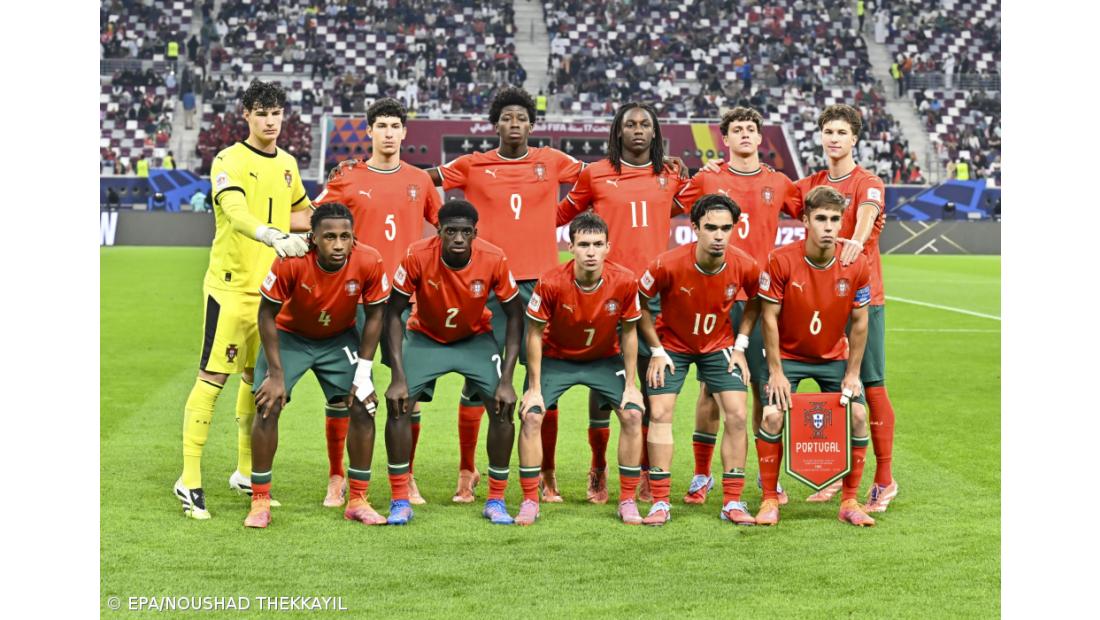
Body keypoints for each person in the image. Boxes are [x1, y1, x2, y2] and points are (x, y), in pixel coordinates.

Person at [427, 87, 583, 504]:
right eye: (507, 118)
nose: (514, 124)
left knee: (542, 382)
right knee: (478, 379)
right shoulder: (471, 164)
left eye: (522, 118)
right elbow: (421, 181)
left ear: (532, 124)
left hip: (541, 285)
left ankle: (547, 471)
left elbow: (599, 175)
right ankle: (467, 470)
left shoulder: (552, 160)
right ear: (495, 124)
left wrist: (660, 163)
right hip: (488, 287)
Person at [174, 80, 312, 520]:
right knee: (213, 375)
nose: (270, 121)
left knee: (256, 378)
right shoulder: (228, 160)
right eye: (262, 113)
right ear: (247, 115)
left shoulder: (287, 164)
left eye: (276, 114)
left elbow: (302, 213)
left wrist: (337, 210)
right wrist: (271, 234)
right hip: (231, 288)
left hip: (270, 291)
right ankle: (189, 478)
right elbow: (235, 212)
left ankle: (246, 472)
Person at [555, 101, 686, 504]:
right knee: (603, 383)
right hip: (606, 292)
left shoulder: (671, 175)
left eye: (645, 124)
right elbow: (558, 215)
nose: (638, 130)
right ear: (618, 131)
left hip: (654, 295)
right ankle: (598, 467)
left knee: (649, 385)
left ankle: (645, 469)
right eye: (630, 124)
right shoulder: (595, 174)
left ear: (655, 131)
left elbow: (695, 206)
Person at [312, 97, 442, 507]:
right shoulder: (348, 177)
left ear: (405, 132)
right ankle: (337, 477)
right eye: (381, 125)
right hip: (355, 299)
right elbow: (315, 219)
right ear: (369, 131)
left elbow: (445, 229)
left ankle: (407, 476)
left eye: (395, 126)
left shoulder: (420, 180)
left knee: (410, 393)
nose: (388, 133)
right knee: (344, 392)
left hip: (406, 301)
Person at [673, 106, 802, 505]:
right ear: (725, 139)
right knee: (711, 390)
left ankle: (768, 478)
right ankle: (701, 475)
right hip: (715, 298)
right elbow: (669, 202)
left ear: (760, 138)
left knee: (765, 390)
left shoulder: (778, 182)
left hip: (761, 300)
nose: (745, 134)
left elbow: (813, 214)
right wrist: (675, 171)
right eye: (737, 129)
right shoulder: (708, 178)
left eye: (751, 129)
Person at [245, 204, 390, 528]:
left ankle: (358, 500)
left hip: (339, 337)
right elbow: (266, 314)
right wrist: (276, 374)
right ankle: (260, 500)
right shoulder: (291, 260)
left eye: (345, 237)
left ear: (354, 238)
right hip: (289, 336)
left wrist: (363, 374)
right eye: (329, 237)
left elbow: (375, 316)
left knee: (364, 405)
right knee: (268, 404)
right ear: (313, 238)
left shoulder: (369, 260)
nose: (338, 245)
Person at [383, 200, 523, 525]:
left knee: (503, 407)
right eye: (451, 231)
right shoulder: (416, 254)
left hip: (474, 339)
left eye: (465, 232)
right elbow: (393, 312)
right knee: (399, 404)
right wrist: (397, 376)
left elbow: (516, 316)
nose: (458, 238)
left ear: (475, 233)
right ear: (439, 231)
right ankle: (400, 499)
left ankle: (496, 500)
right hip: (425, 338)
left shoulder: (494, 257)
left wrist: (507, 380)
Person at [636, 194, 762, 526]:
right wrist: (656, 350)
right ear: (695, 228)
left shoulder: (745, 265)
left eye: (725, 228)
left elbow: (756, 301)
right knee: (659, 412)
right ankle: (660, 503)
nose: (719, 236)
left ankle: (732, 501)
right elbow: (639, 303)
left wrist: (741, 345)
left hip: (719, 345)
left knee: (737, 414)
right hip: (672, 346)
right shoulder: (666, 264)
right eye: (711, 228)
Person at [794, 104, 897, 512]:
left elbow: (868, 214)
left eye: (841, 132)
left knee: (871, 384)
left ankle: (885, 479)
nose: (834, 138)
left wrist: (855, 239)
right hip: (823, 300)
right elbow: (773, 194)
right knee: (836, 386)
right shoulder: (812, 184)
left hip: (863, 299)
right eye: (828, 131)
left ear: (854, 138)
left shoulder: (868, 182)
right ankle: (835, 474)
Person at [755, 185, 875, 527]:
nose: (828, 227)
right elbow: (768, 318)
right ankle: (769, 500)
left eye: (835, 220)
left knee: (858, 415)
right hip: (788, 356)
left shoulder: (856, 263)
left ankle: (849, 501)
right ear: (806, 221)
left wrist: (852, 374)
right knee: (772, 416)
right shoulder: (781, 260)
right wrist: (776, 372)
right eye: (821, 219)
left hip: (833, 357)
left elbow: (860, 322)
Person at [516, 212, 646, 525]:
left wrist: (631, 385)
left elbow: (630, 332)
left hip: (604, 359)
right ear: (570, 246)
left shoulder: (625, 281)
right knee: (531, 415)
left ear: (608, 247)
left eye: (597, 244)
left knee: (632, 414)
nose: (591, 252)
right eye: (584, 244)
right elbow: (533, 334)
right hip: (556, 358)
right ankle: (530, 501)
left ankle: (628, 500)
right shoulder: (550, 281)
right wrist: (534, 388)